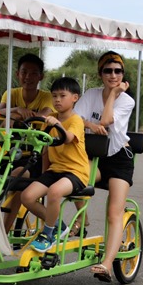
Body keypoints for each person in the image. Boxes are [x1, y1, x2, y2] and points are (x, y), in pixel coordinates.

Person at [74, 51, 135, 283]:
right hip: (95, 154)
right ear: (100, 74)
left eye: (118, 71)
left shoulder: (127, 100)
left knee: (114, 213)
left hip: (119, 159)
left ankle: (107, 264)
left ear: (123, 74)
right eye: (108, 71)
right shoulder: (91, 94)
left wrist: (114, 94)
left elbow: (107, 120)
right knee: (78, 178)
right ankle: (84, 218)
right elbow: (75, 118)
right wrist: (89, 123)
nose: (113, 75)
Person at [20, 77, 89, 253]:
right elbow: (44, 144)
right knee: (27, 197)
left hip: (76, 172)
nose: (57, 100)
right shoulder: (50, 118)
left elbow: (67, 139)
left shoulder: (76, 120)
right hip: (55, 170)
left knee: (54, 191)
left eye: (62, 96)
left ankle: (48, 234)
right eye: (54, 96)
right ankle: (59, 226)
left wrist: (57, 125)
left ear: (75, 98)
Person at [0, 53, 55, 233]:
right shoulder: (11, 93)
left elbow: (43, 115)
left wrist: (13, 115)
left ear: (41, 77)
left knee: (19, 176)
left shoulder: (46, 96)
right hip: (9, 151)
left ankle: (4, 230)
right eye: (24, 72)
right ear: (17, 74)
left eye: (33, 73)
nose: (28, 77)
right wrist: (17, 110)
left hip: (35, 156)